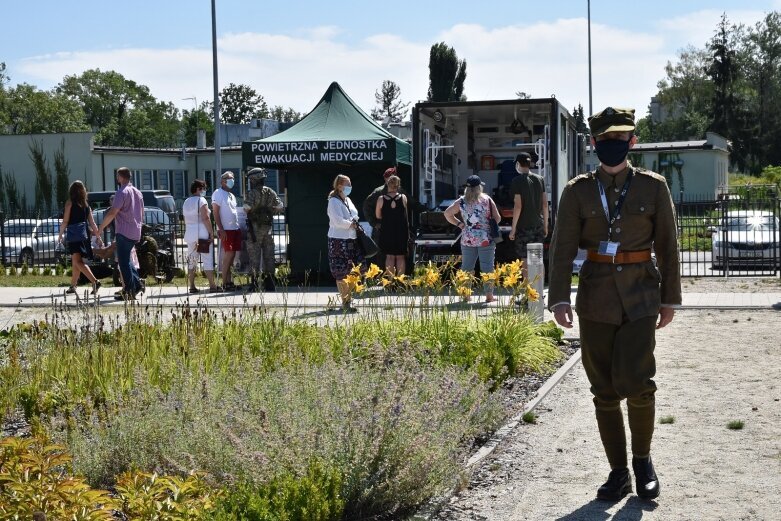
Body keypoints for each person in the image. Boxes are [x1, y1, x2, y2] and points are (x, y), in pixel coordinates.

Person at [547, 107, 681, 501]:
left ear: (632, 142)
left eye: (619, 140)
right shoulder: (577, 190)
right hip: (596, 298)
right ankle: (618, 472)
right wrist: (558, 298)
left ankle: (643, 461)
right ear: (594, 144)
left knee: (638, 383)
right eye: (605, 141)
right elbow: (562, 248)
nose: (612, 146)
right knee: (603, 390)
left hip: (641, 296)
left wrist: (670, 298)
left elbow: (669, 248)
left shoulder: (653, 187)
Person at [443, 174, 501, 303]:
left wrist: (460, 224)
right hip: (486, 238)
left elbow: (447, 213)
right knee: (487, 267)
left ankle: (466, 295)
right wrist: (487, 224)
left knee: (467, 267)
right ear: (479, 187)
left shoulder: (461, 201)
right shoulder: (487, 199)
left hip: (468, 238)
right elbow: (497, 218)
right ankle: (489, 296)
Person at [97, 167, 144, 300]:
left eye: (117, 176)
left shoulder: (121, 192)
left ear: (121, 177)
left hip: (123, 231)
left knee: (123, 262)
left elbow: (113, 212)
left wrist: (101, 228)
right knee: (127, 260)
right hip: (135, 231)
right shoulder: (138, 192)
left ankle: (129, 291)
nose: (117, 179)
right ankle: (136, 284)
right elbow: (142, 214)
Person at [508, 152, 548, 282]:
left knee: (525, 259)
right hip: (538, 225)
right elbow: (545, 205)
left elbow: (518, 206)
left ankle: (528, 292)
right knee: (537, 258)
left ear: (518, 164)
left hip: (523, 226)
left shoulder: (516, 181)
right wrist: (546, 225)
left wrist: (513, 229)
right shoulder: (540, 179)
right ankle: (539, 291)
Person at [58, 180, 103, 295]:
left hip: (74, 236)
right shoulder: (85, 204)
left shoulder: (70, 203)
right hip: (84, 235)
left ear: (71, 191)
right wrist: (98, 236)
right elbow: (92, 223)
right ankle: (73, 286)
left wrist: (60, 234)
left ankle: (95, 281)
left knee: (77, 262)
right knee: (75, 262)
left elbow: (65, 221)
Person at [243, 167, 284, 292]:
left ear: (254, 180)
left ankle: (254, 283)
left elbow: (246, 207)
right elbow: (280, 205)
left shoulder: (252, 193)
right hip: (268, 228)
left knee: (254, 255)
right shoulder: (270, 191)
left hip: (254, 230)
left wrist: (255, 210)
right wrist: (269, 210)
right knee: (269, 255)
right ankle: (270, 283)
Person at [327, 174, 363, 312]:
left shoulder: (347, 199)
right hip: (338, 240)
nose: (350, 187)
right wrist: (351, 224)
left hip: (351, 239)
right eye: (347, 184)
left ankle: (349, 299)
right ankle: (345, 302)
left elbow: (355, 214)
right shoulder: (333, 201)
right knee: (341, 271)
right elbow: (337, 221)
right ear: (339, 186)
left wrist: (353, 222)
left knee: (353, 270)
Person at [182, 179, 220, 294]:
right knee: (207, 259)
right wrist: (211, 232)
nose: (204, 191)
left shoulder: (186, 201)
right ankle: (212, 285)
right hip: (202, 233)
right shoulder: (201, 200)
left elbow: (185, 218)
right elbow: (205, 218)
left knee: (192, 260)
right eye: (203, 188)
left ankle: (192, 286)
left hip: (190, 233)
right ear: (199, 189)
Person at [212, 171, 241, 291]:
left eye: (233, 178)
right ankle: (224, 282)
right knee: (228, 255)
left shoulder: (231, 195)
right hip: (226, 230)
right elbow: (215, 212)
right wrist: (221, 229)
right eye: (229, 178)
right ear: (222, 181)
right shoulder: (218, 193)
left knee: (233, 255)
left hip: (235, 228)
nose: (232, 180)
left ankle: (229, 281)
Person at [375, 174, 409, 276]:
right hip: (401, 231)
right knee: (400, 256)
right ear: (398, 185)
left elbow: (378, 216)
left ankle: (390, 282)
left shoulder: (381, 199)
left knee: (389, 256)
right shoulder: (403, 197)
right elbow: (405, 214)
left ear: (387, 184)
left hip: (387, 230)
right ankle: (400, 282)